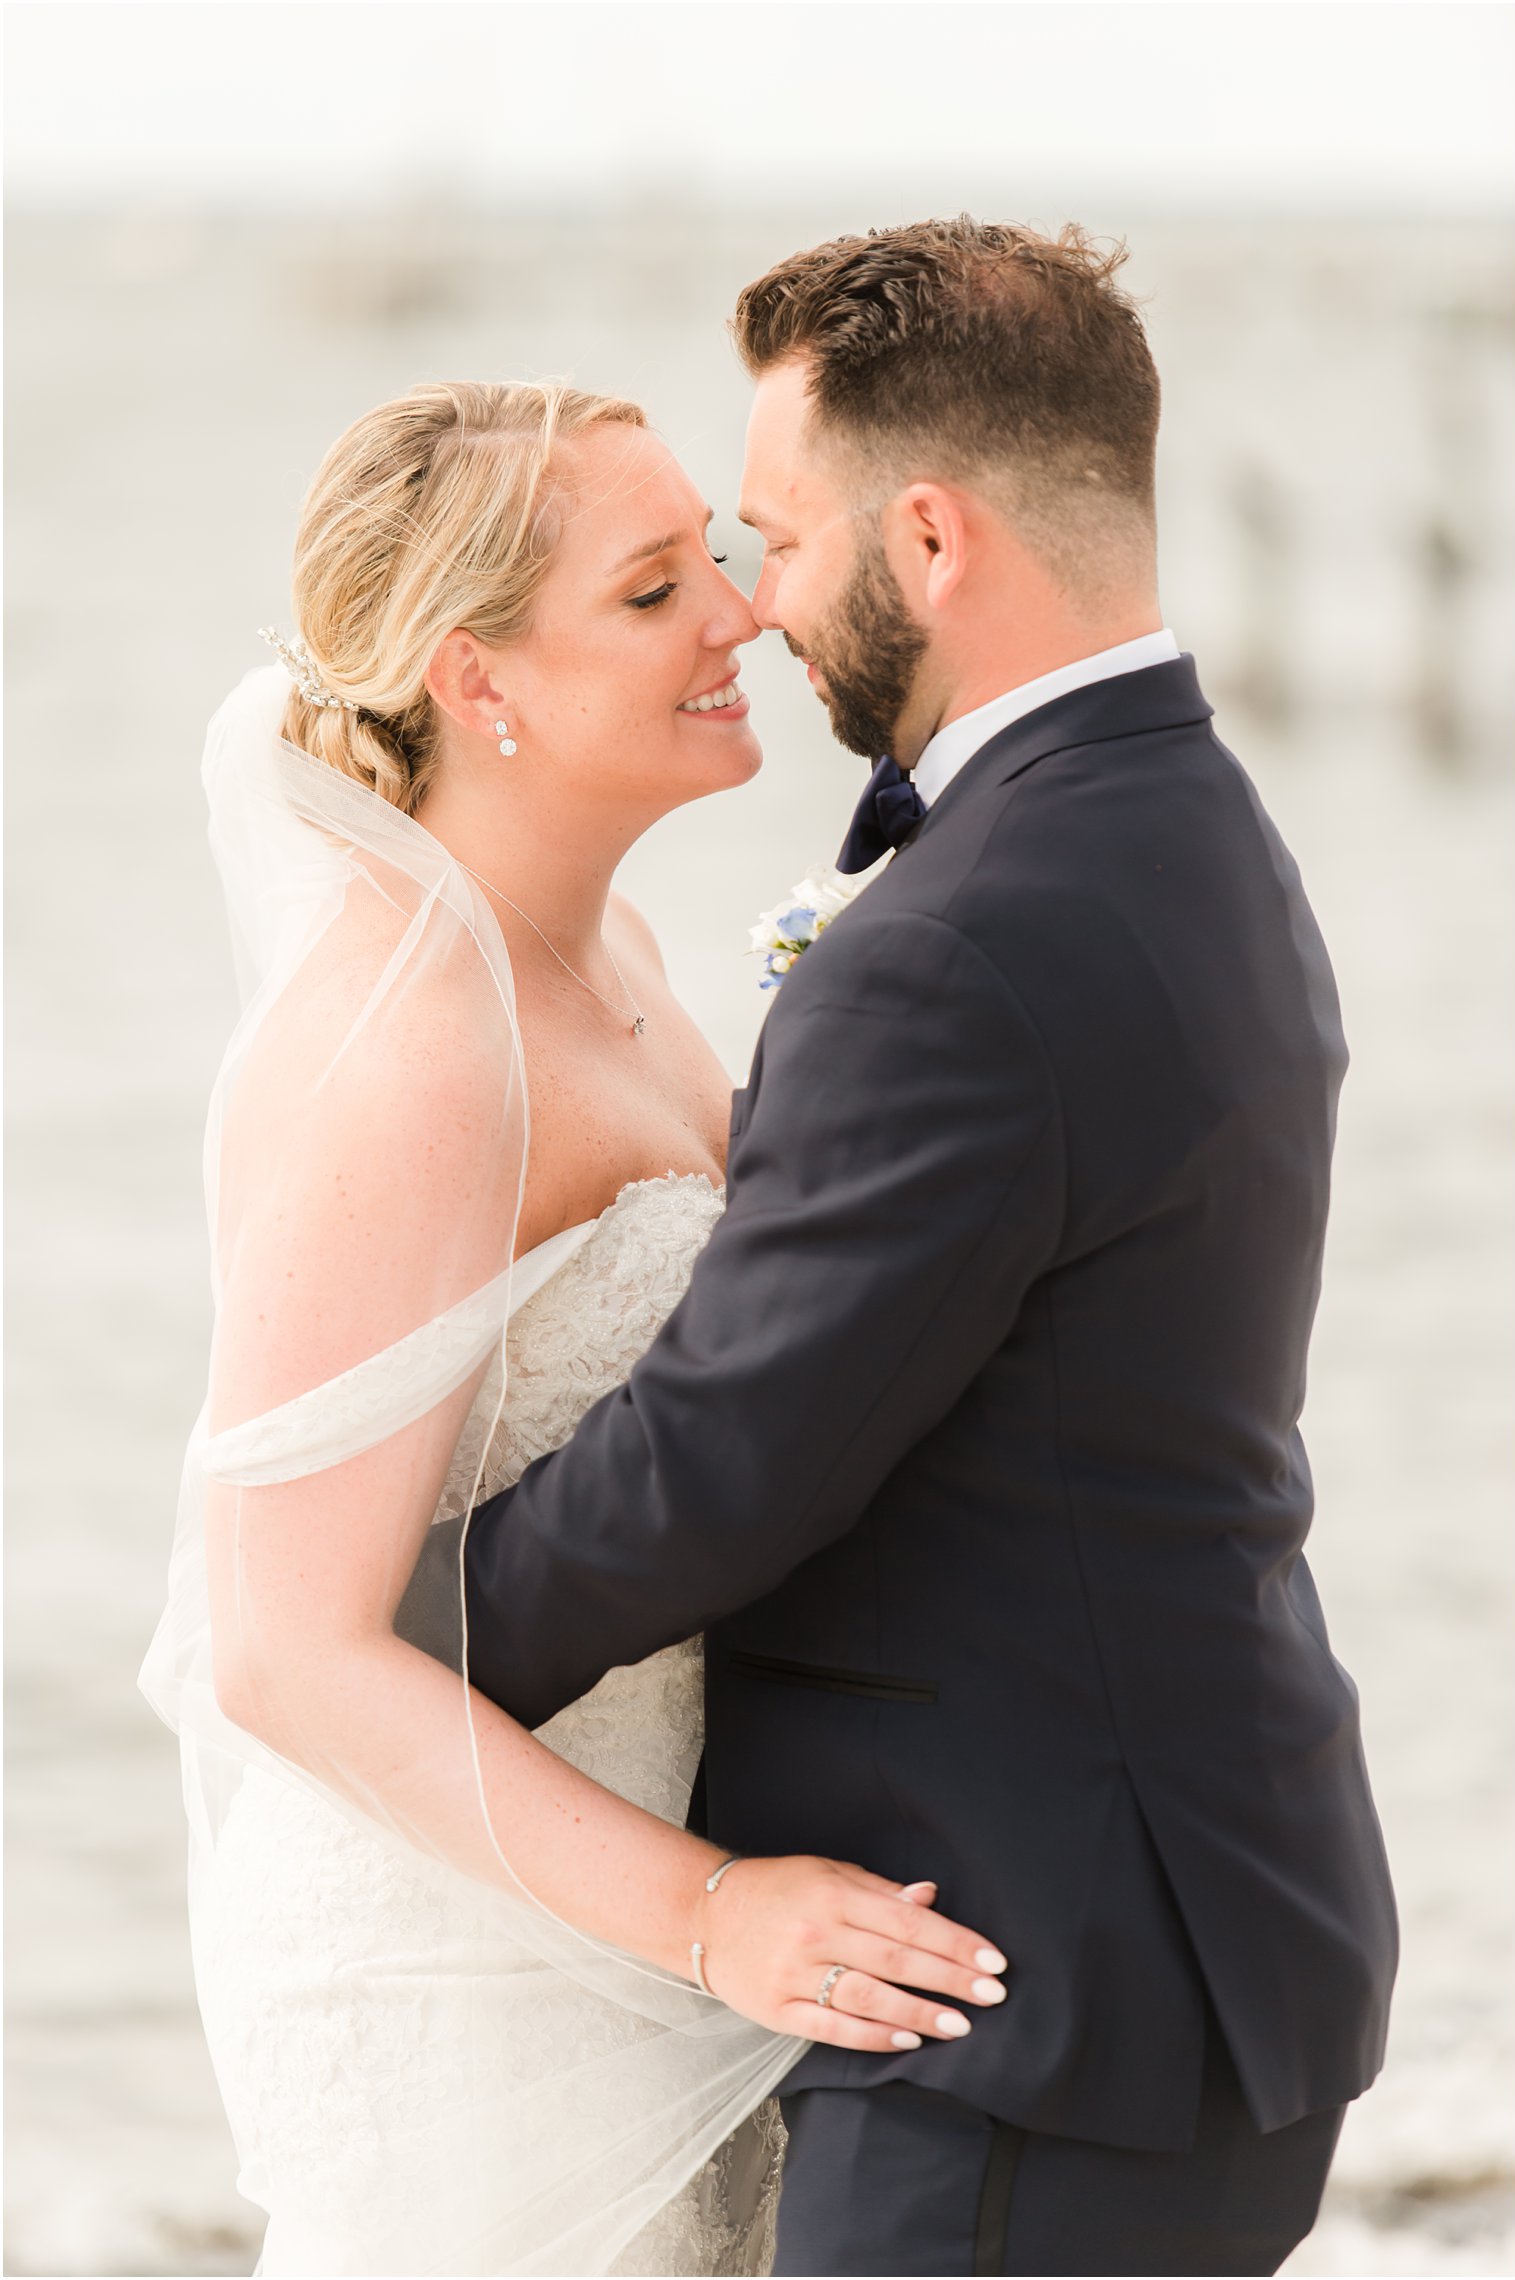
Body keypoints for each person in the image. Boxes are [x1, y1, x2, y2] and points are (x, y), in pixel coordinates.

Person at [456, 221, 1400, 2276]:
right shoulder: (1181, 825)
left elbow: (725, 1462)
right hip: (1187, 1928)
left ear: (936, 539)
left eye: (779, 538)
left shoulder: (966, 937)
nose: (756, 603)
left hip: (1020, 1995)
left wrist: (398, 1650)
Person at [138, 378, 1007, 2279]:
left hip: (629, 1901)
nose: (745, 614)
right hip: (487, 1978)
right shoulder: (409, 1057)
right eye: (651, 590)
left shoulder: (607, 958)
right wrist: (709, 1915)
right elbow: (284, 1652)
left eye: (717, 551)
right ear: (475, 678)